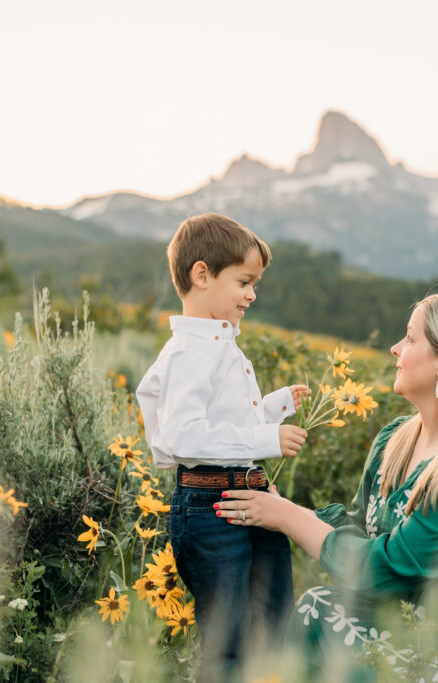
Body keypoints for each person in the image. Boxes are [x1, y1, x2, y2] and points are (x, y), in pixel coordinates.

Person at [216, 292, 438, 679]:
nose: (396, 348)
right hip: (414, 613)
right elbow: (364, 527)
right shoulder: (396, 439)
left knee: (336, 633)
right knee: (318, 608)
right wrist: (290, 509)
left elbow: (385, 570)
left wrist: (291, 519)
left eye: (411, 338)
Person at [135, 213, 310, 682]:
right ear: (201, 275)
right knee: (228, 641)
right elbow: (186, 437)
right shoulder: (189, 352)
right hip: (210, 508)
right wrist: (265, 439)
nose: (252, 294)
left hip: (249, 498)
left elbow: (222, 424)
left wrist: (272, 409)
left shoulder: (220, 344)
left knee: (274, 623)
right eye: (244, 282)